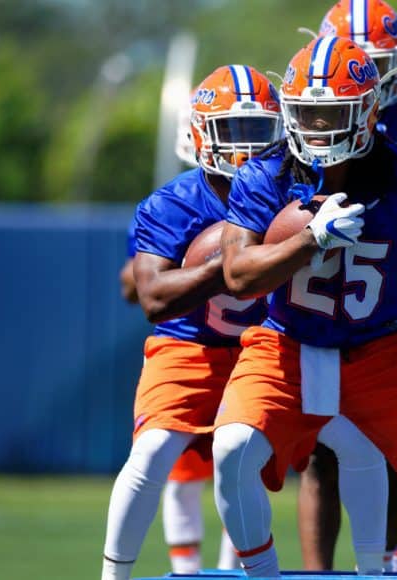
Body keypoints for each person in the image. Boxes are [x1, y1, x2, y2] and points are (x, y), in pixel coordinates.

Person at [214, 36, 397, 579]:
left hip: (386, 341)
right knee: (232, 451)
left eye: (331, 114)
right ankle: (263, 576)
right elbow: (238, 276)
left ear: (366, 112)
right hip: (287, 340)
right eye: (307, 114)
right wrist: (309, 240)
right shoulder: (264, 175)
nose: (316, 129)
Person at [100, 65, 283, 580]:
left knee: (248, 461)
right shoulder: (173, 203)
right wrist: (226, 269)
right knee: (154, 453)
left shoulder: (289, 194)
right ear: (202, 132)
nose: (245, 146)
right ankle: (114, 575)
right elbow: (152, 298)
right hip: (188, 347)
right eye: (233, 129)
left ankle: (244, 572)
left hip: (264, 346)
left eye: (257, 129)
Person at [297, 0, 397, 571]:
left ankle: (393, 563)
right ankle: (320, 573)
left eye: (374, 59)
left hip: (393, 301)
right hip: (313, 299)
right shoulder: (303, 118)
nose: (362, 67)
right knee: (322, 450)